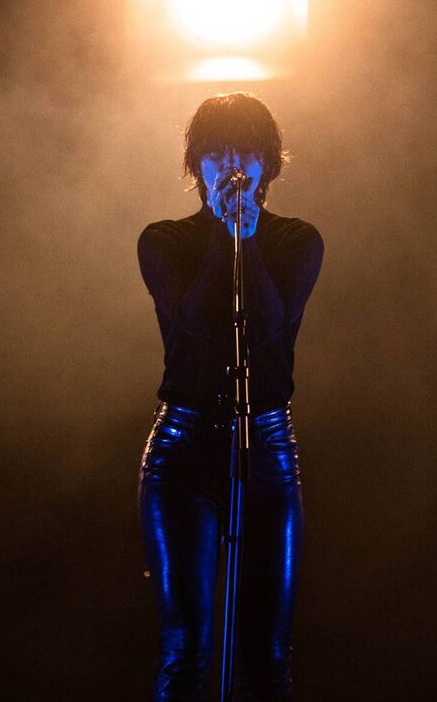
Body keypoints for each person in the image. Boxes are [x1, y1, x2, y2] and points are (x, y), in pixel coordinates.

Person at [137, 93, 324, 701]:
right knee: (186, 650)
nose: (233, 165)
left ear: (268, 162)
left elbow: (269, 326)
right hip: (183, 451)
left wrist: (249, 236)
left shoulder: (298, 240)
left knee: (269, 657)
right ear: (197, 164)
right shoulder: (163, 241)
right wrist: (225, 234)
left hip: (267, 448)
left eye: (246, 151)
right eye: (217, 152)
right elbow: (196, 321)